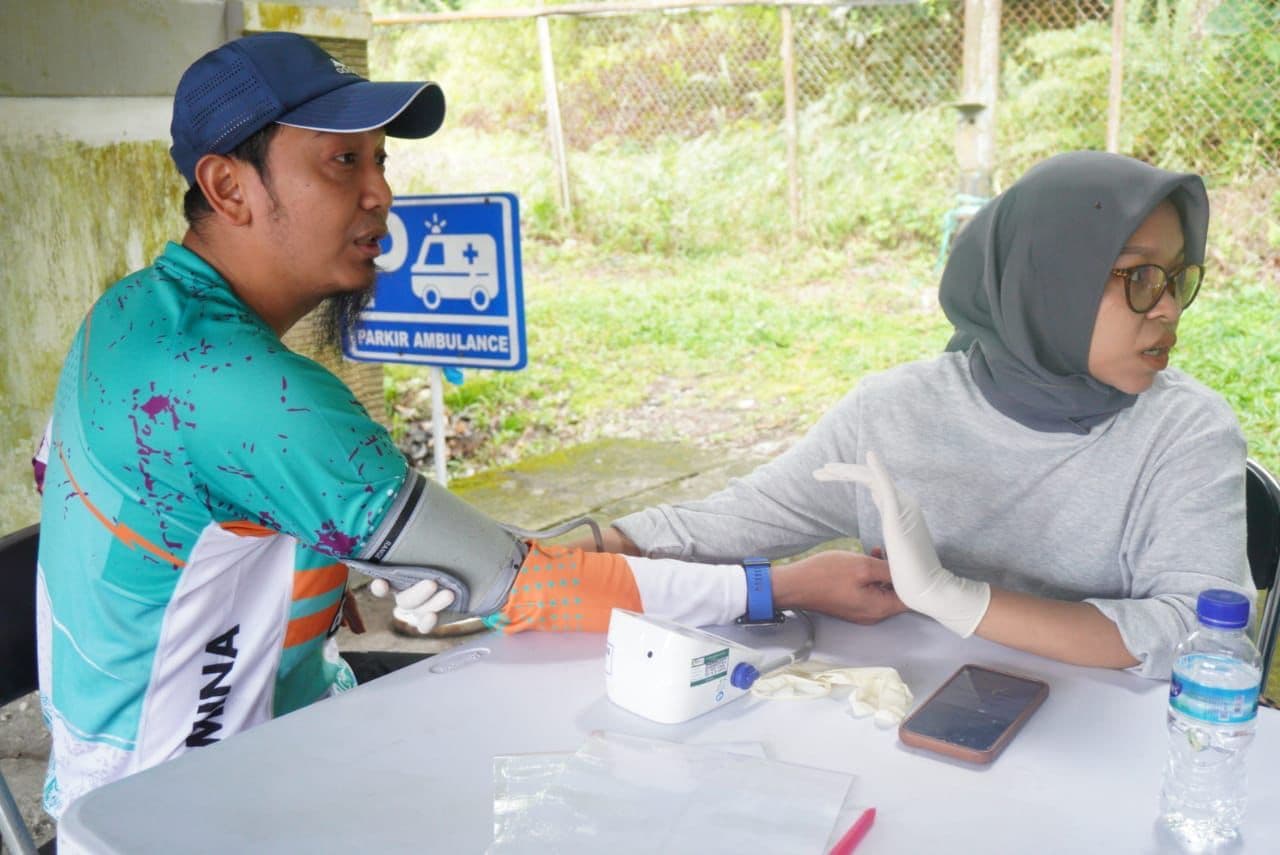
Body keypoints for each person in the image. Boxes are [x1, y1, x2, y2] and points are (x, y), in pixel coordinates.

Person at [33, 32, 902, 821]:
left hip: (129, 757)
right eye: (342, 163)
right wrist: (781, 588)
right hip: (188, 801)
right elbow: (521, 587)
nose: (381, 195)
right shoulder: (254, 395)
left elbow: (72, 481)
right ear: (230, 186)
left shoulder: (130, 315)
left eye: (380, 161)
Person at [589, 151, 1254, 680]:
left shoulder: (1184, 432)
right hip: (906, 718)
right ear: (1044, 282)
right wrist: (531, 560)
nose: (1168, 308)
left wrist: (952, 597)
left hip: (1104, 743)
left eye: (1176, 278)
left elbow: (1200, 633)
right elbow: (720, 524)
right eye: (1140, 278)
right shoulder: (895, 412)